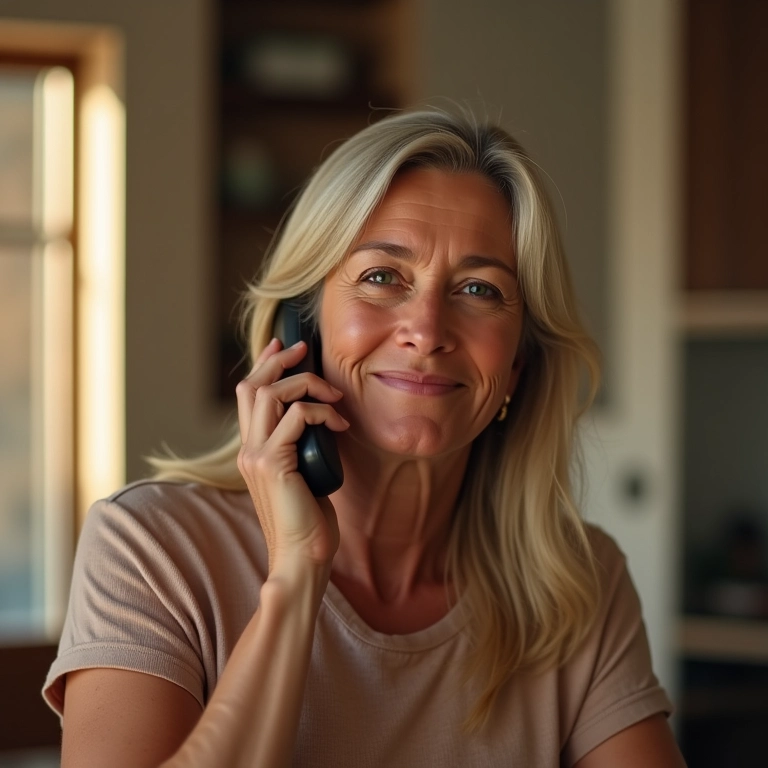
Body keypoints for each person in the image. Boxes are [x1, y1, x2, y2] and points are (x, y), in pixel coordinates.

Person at [44, 108, 686, 767]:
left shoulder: (578, 583)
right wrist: (296, 576)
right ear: (303, 328)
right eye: (383, 277)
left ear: (518, 364)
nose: (427, 328)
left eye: (478, 288)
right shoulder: (150, 548)